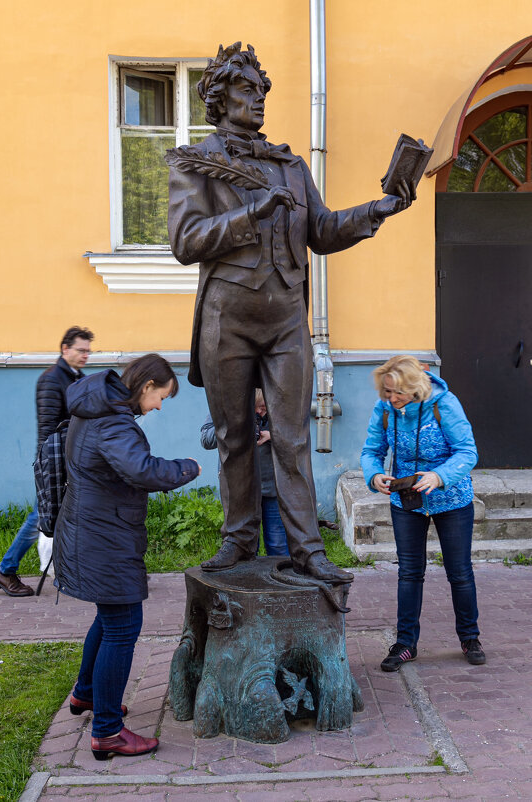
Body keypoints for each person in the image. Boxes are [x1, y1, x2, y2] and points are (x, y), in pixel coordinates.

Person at [167, 42, 415, 582]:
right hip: (226, 319)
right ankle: (237, 540)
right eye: (246, 90)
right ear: (218, 95)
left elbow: (321, 231)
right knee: (234, 436)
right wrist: (252, 213)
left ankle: (307, 549)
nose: (257, 100)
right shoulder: (198, 162)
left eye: (261, 92)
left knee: (292, 437)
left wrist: (379, 208)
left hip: (285, 320)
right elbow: (185, 241)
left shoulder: (291, 166)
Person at [53, 354, 201, 760]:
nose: (157, 407)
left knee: (110, 617)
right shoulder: (113, 422)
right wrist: (187, 467)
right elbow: (142, 471)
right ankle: (107, 732)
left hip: (94, 528)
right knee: (124, 624)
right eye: (161, 398)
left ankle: (86, 695)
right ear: (146, 384)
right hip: (104, 536)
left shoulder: (97, 410)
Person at [360, 355, 486, 671]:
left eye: (396, 392)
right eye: (386, 392)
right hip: (406, 501)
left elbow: (468, 452)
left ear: (414, 387)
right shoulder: (386, 409)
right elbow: (372, 451)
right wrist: (374, 475)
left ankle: (470, 637)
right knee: (409, 572)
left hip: (452, 499)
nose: (391, 398)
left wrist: (439, 476)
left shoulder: (444, 404)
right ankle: (405, 644)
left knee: (459, 572)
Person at [0, 326, 94, 597]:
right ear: (65, 349)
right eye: (81, 350)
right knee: (42, 515)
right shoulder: (52, 379)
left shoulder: (76, 377)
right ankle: (6, 570)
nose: (86, 355)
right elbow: (52, 428)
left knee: (60, 514)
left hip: (68, 459)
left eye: (88, 350)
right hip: (54, 461)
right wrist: (61, 466)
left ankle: (70, 572)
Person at [201, 389, 289, 556]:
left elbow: (296, 437)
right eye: (254, 408)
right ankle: (247, 581)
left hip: (273, 484)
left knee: (278, 545)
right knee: (245, 546)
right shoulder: (227, 405)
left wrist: (272, 435)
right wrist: (236, 425)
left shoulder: (279, 402)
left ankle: (279, 578)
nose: (259, 412)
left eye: (263, 408)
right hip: (240, 488)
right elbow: (206, 439)